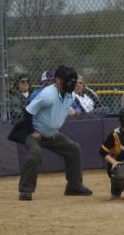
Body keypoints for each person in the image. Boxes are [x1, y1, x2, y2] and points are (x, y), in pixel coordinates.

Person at [10, 65, 93, 201]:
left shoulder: (70, 95)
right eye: (69, 81)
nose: (72, 84)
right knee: (34, 153)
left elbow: (60, 111)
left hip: (52, 134)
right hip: (32, 132)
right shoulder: (47, 95)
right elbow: (28, 111)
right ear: (58, 81)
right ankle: (26, 190)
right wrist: (32, 131)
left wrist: (54, 129)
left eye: (74, 81)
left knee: (74, 149)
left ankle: (74, 186)